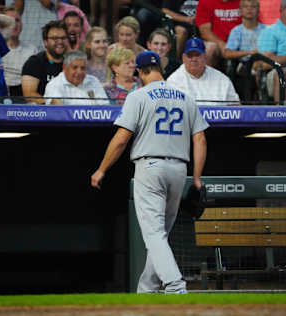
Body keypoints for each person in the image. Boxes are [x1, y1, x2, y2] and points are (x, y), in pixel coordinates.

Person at [90, 50, 209, 294]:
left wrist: (102, 169)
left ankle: (175, 286)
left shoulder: (138, 96)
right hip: (179, 169)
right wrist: (196, 178)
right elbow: (200, 140)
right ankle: (147, 289)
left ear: (142, 72)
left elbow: (122, 139)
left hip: (150, 167)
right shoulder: (185, 97)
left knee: (154, 234)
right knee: (160, 235)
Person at [167, 37, 240, 105]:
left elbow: (237, 108)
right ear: (183, 58)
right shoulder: (173, 81)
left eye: (197, 55)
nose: (194, 59)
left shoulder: (222, 80)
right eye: (190, 55)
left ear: (205, 57)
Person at [223, 0, 266, 102]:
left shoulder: (266, 30)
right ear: (240, 11)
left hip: (263, 63)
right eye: (246, 7)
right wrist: (249, 53)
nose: (249, 9)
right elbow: (227, 53)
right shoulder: (237, 31)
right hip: (244, 64)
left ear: (259, 10)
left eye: (253, 7)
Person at [21, 20, 70, 104]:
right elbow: (29, 95)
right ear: (45, 42)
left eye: (63, 38)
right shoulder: (34, 62)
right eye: (55, 38)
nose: (60, 42)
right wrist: (53, 103)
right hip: (41, 113)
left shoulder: (71, 63)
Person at [44, 50, 108, 105]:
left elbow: (105, 108)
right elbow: (60, 109)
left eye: (83, 68)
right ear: (64, 68)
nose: (79, 72)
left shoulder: (93, 81)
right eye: (75, 67)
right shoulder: (54, 84)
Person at [2, 6, 38, 98]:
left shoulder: (32, 50)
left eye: (17, 20)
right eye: (9, 21)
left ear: (21, 24)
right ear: (1, 25)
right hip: (0, 95)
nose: (14, 24)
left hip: (26, 95)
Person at [195, 0, 242, 67]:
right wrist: (222, 44)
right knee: (210, 48)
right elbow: (205, 32)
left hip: (240, 42)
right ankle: (206, 76)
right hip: (217, 43)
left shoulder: (244, 2)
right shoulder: (206, 2)